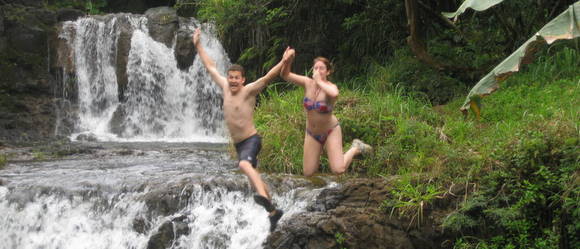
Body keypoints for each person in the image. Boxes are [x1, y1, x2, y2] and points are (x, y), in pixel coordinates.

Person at [193, 28, 283, 231]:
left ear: (243, 79)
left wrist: (284, 62)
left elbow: (267, 77)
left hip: (251, 139)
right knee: (253, 176)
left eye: (237, 78)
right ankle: (273, 213)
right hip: (239, 144)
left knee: (244, 165)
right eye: (230, 77)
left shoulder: (249, 91)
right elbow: (210, 67)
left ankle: (264, 199)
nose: (233, 80)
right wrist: (198, 45)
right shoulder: (224, 86)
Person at [280, 48, 372, 176]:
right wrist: (287, 61)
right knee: (308, 173)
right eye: (315, 68)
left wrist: (319, 81)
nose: (317, 71)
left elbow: (335, 94)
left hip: (330, 130)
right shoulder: (307, 83)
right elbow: (285, 74)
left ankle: (356, 148)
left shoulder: (330, 86)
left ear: (328, 71)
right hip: (312, 133)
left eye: (321, 68)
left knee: (338, 169)